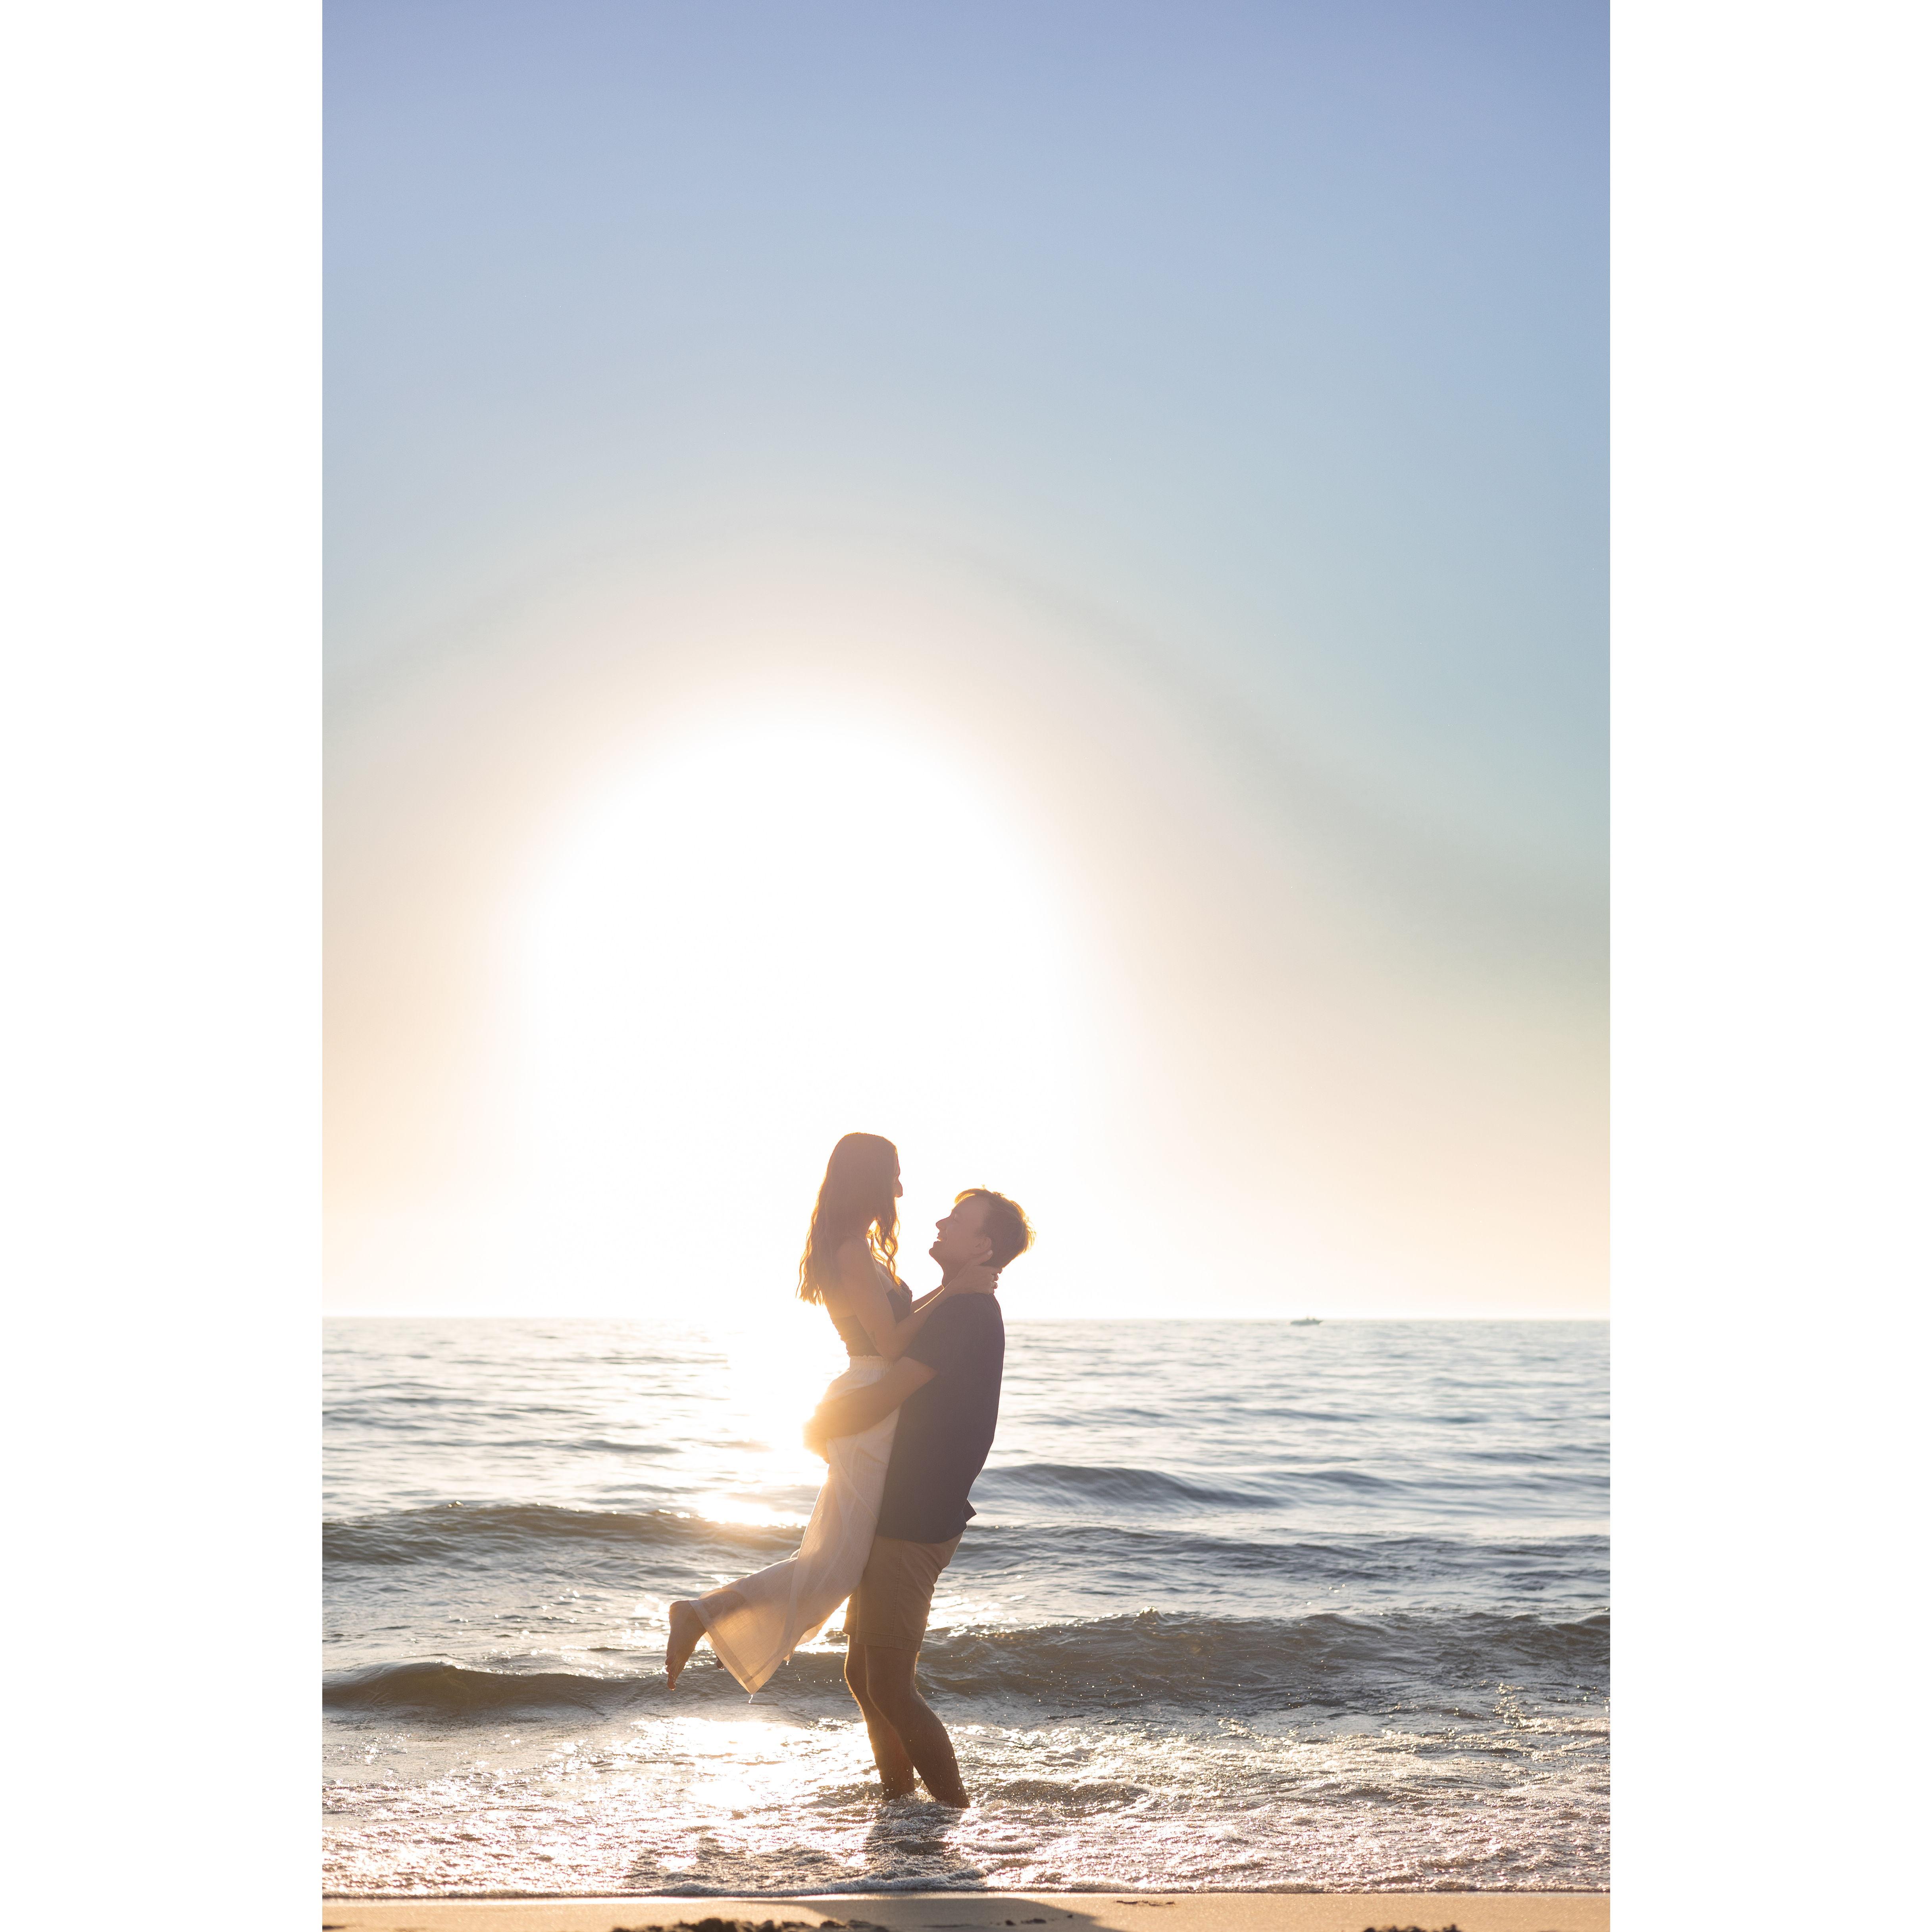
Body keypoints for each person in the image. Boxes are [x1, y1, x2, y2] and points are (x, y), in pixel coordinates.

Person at [663, 1133, 988, 1692]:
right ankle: (703, 1613)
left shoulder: (860, 1247)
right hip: (870, 1395)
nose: (902, 1187)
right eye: (895, 1174)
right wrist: (956, 1289)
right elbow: (891, 1346)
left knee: (840, 1557)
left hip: (874, 1394)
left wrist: (952, 1290)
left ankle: (715, 1617)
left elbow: (893, 1331)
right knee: (837, 1563)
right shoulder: (851, 1251)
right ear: (870, 1179)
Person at [803, 1185, 1033, 1808]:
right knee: (863, 1676)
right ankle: (900, 1806)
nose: (940, 1222)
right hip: (903, 1507)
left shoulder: (967, 1313)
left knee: (890, 1686)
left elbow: (887, 1393)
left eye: (957, 1220)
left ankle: (952, 1816)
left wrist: (816, 1426)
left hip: (915, 1517)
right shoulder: (959, 1305)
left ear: (983, 1245)